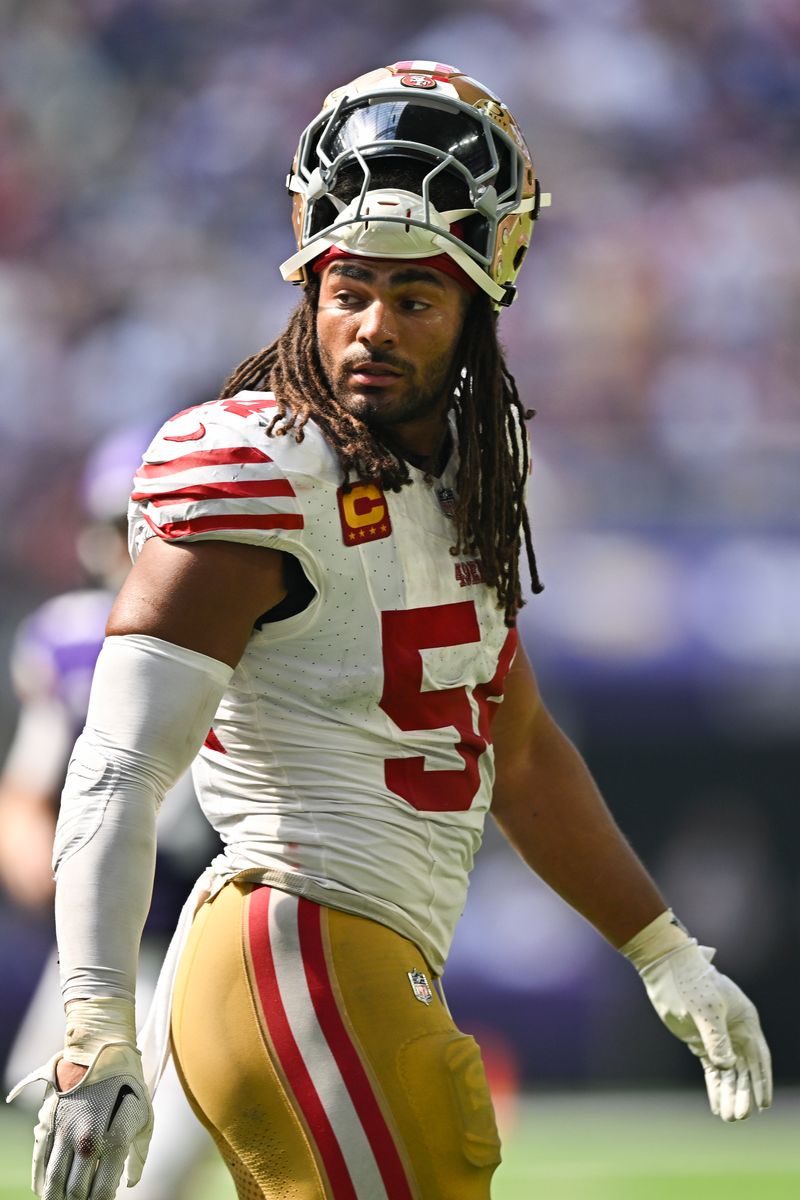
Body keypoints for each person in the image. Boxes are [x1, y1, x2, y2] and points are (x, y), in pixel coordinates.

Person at [9, 60, 771, 1200]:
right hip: (294, 947)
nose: (370, 328)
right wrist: (92, 1021)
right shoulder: (254, 468)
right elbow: (115, 766)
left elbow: (513, 752)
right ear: (307, 283)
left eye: (412, 298)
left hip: (368, 959)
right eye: (346, 289)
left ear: (477, 304)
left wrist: (662, 949)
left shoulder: (470, 483)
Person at [0, 427, 220, 1200]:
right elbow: (25, 794)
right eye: (115, 526)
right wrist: (38, 855)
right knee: (74, 1157)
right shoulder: (69, 641)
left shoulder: (251, 633)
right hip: (115, 942)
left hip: (215, 942)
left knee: (149, 1176)